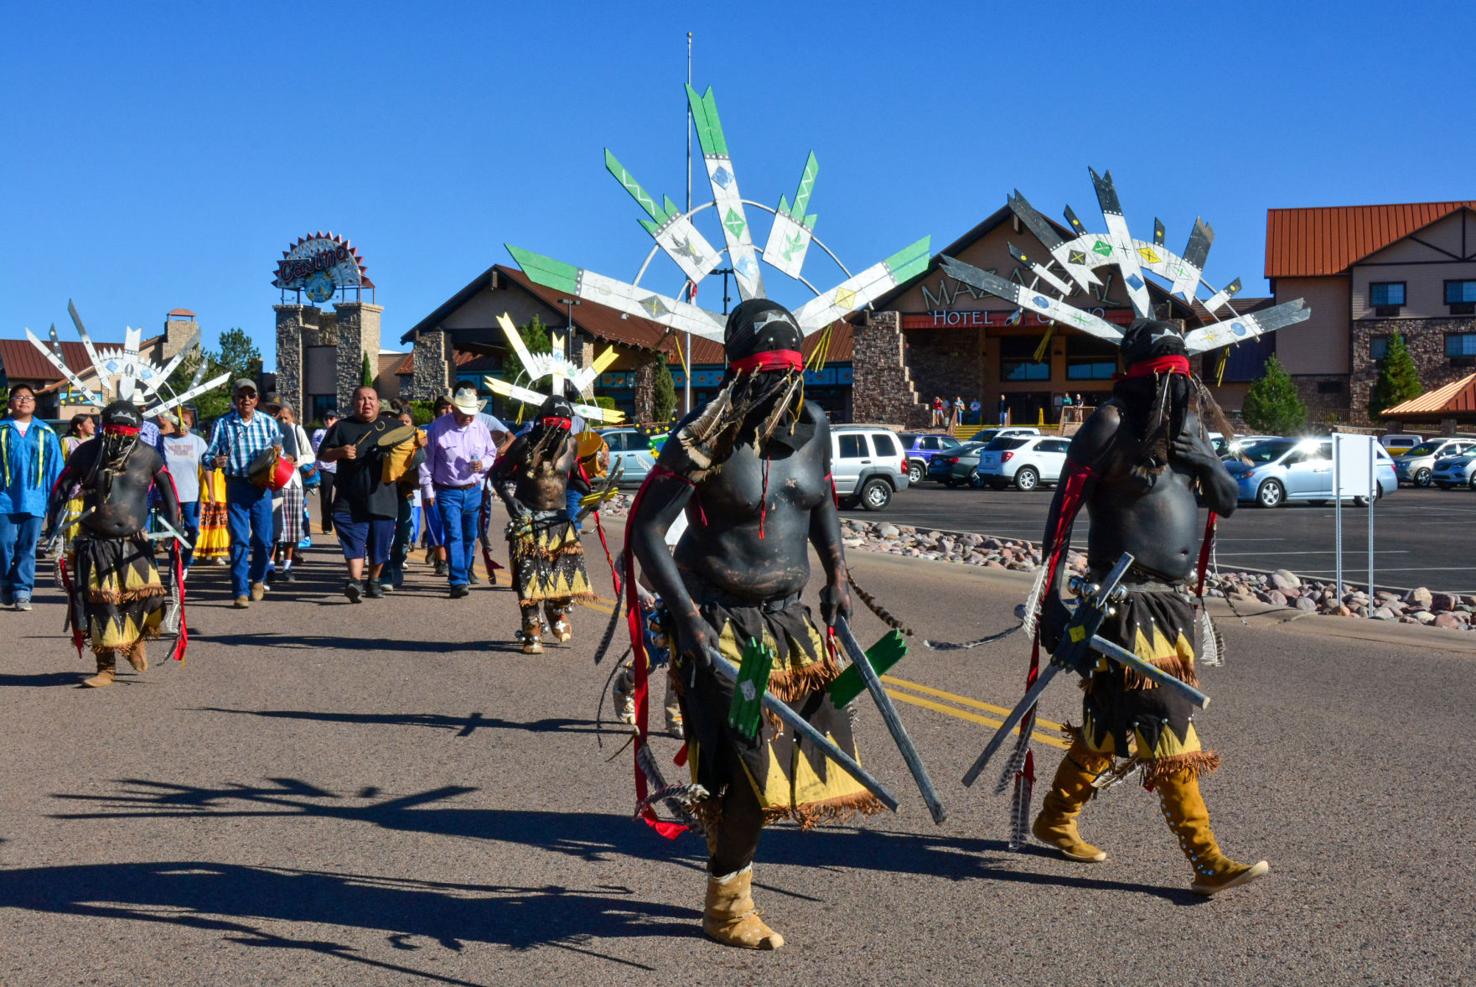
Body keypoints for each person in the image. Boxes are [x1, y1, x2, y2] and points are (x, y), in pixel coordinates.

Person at [627, 299, 877, 950]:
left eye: (788, 376)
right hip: (717, 622)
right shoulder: (704, 436)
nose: (779, 391)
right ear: (739, 375)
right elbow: (646, 530)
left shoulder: (815, 427)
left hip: (788, 626)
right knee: (749, 771)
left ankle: (725, 837)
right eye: (765, 377)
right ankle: (726, 906)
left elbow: (819, 501)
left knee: (807, 754)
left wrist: (839, 574)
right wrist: (687, 618)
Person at [1028, 318, 1267, 896]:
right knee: (1165, 720)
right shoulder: (1108, 425)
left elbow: (1229, 501)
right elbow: (1059, 517)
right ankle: (1205, 858)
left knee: (1109, 723)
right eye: (1166, 377)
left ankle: (1056, 818)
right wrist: (1050, 602)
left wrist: (1205, 463)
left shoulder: (1190, 429)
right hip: (1124, 604)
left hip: (1172, 605)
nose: (1178, 388)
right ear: (1140, 378)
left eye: (1183, 377)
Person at [46, 401, 184, 686]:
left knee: (150, 597)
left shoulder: (148, 455)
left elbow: (168, 488)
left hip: (135, 542)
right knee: (100, 605)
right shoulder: (87, 453)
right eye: (114, 435)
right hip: (94, 542)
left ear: (136, 432)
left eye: (126, 435)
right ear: (104, 431)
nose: (120, 441)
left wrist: (175, 525)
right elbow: (61, 487)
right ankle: (105, 666)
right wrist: (54, 525)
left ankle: (134, 641)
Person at [492, 393, 593, 653]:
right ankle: (531, 629)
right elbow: (497, 475)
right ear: (541, 422)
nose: (557, 430)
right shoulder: (524, 443)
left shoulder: (571, 446)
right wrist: (510, 500)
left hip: (559, 522)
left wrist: (593, 494)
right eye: (552, 423)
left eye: (563, 424)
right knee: (529, 578)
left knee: (566, 574)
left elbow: (577, 479)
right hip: (528, 520)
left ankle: (557, 610)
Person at [204, 379, 283, 608]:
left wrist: (281, 455)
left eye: (250, 396)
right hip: (237, 486)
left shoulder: (268, 423)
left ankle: (258, 578)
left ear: (257, 400)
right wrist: (216, 460)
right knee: (239, 540)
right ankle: (240, 590)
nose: (246, 400)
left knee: (264, 541)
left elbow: (281, 452)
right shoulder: (223, 424)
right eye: (241, 396)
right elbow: (207, 456)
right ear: (235, 399)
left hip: (261, 488)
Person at [317, 386, 400, 602]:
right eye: (361, 399)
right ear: (353, 402)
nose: (367, 403)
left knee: (379, 544)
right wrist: (339, 452)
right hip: (349, 498)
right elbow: (323, 455)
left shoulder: (393, 426)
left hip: (383, 497)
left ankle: (373, 580)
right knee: (354, 540)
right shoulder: (341, 427)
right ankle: (355, 581)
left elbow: (414, 450)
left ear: (378, 403)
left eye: (371, 399)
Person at [420, 388, 498, 599]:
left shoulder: (480, 428)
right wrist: (427, 490)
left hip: (473, 489)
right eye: (464, 412)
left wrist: (483, 464)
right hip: (447, 491)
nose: (469, 417)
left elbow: (492, 453)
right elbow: (426, 462)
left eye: (472, 412)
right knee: (453, 534)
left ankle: (462, 572)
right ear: (453, 408)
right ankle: (458, 581)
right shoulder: (437, 428)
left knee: (469, 536)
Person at [0, 385, 63, 610]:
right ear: (10, 403)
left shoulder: (46, 432)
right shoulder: (2, 429)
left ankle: (22, 591)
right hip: (4, 499)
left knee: (27, 547)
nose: (23, 401)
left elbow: (57, 468)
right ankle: (5, 583)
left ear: (35, 404)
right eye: (18, 397)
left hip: (35, 499)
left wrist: (58, 496)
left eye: (28, 398)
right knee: (3, 544)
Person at [160, 408, 208, 574]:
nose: (182, 426)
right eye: (178, 423)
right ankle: (175, 566)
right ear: (173, 423)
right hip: (170, 495)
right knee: (173, 533)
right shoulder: (163, 441)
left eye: (185, 423)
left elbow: (207, 466)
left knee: (193, 531)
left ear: (191, 424)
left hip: (191, 494)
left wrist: (210, 491)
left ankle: (186, 562)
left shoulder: (198, 442)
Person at [270, 402, 312, 584]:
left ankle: (287, 566)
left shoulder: (295, 430)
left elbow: (309, 455)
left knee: (292, 528)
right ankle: (270, 565)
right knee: (273, 528)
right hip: (273, 484)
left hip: (292, 481)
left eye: (286, 417)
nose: (282, 420)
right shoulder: (266, 430)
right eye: (280, 416)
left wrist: (297, 461)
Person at [311, 410, 339, 533]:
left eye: (331, 418)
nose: (328, 421)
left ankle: (340, 523)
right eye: (326, 418)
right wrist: (314, 467)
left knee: (343, 497)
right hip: (324, 469)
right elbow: (315, 451)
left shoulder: (340, 431)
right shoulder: (318, 433)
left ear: (336, 419)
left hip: (339, 469)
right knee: (326, 497)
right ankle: (327, 526)